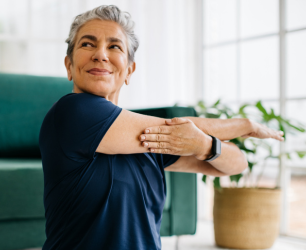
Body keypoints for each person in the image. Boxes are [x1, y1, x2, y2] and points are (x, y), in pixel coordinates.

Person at [38, 5, 284, 250]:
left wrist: (205, 145)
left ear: (129, 71)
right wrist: (245, 125)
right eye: (88, 44)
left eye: (114, 46)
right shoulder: (71, 112)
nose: (101, 54)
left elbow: (235, 165)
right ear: (69, 66)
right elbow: (174, 128)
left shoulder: (149, 137)